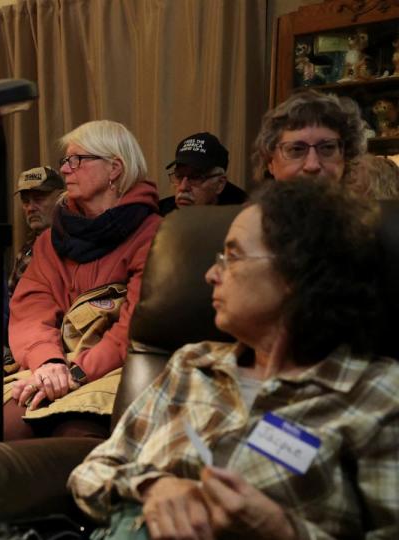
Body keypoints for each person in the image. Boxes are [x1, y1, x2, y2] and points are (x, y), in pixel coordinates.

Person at [69, 180, 398, 539]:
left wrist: (283, 531)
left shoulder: (376, 393)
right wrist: (152, 486)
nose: (211, 274)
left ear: (296, 271)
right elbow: (92, 472)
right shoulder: (191, 364)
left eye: (233, 255)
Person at [0, 120, 162, 442]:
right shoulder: (51, 240)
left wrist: (76, 372)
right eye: (65, 161)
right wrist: (47, 363)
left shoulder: (153, 234)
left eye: (78, 160)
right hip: (55, 363)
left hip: (118, 366)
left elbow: (132, 329)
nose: (67, 169)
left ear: (114, 168)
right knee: (9, 422)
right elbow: (31, 310)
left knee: (74, 429)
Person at [252, 89, 366, 183]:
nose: (312, 165)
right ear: (270, 163)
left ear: (346, 159)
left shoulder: (367, 211)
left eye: (327, 148)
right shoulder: (251, 211)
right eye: (296, 149)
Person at [158, 132, 246, 215]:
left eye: (195, 177)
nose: (183, 187)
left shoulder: (243, 216)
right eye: (179, 176)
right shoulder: (161, 212)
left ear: (220, 184)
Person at [8, 166, 65, 295]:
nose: (30, 208)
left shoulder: (73, 244)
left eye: (39, 199)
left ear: (60, 197)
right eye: (26, 201)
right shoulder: (27, 249)